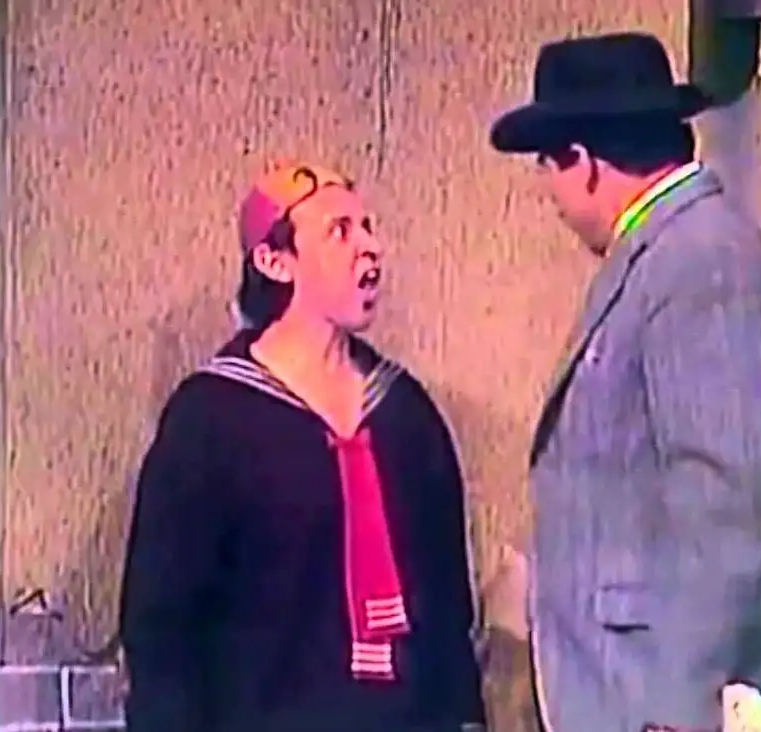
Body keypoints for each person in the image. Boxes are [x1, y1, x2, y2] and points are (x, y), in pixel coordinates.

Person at [487, 32, 761, 732]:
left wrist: (678, 714)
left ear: (584, 162)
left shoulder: (703, 263)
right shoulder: (666, 256)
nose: (550, 194)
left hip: (655, 701)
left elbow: (719, 501)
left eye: (548, 165)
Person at [118, 161, 486, 732]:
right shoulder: (211, 418)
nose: (370, 248)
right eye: (340, 231)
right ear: (275, 260)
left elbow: (447, 608)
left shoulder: (406, 415)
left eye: (368, 228)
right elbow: (162, 629)